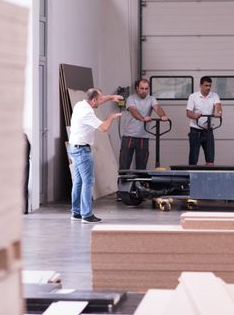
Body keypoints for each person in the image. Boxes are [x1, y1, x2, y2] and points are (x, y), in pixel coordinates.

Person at [68, 88, 122, 223]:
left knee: (79, 181)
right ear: (93, 100)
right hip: (82, 151)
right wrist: (110, 117)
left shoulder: (80, 104)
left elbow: (99, 100)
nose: (101, 100)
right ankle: (86, 215)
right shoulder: (87, 113)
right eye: (99, 99)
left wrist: (110, 97)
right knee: (88, 182)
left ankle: (76, 212)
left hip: (74, 148)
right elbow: (104, 128)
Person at [119, 79, 168, 170]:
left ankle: (139, 183)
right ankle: (123, 183)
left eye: (146, 89)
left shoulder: (151, 99)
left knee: (141, 166)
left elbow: (157, 107)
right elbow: (133, 110)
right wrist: (142, 119)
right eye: (142, 88)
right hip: (129, 136)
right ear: (137, 88)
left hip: (143, 136)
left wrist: (163, 115)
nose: (144, 91)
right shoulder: (131, 99)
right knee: (124, 165)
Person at [186, 76, 222, 166]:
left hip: (208, 131)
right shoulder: (193, 96)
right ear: (201, 85)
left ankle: (209, 179)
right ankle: (192, 179)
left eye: (210, 85)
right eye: (206, 85)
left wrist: (218, 112)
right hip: (195, 130)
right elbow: (188, 113)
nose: (208, 88)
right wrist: (195, 115)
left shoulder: (214, 96)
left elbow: (218, 106)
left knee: (210, 160)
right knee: (193, 159)